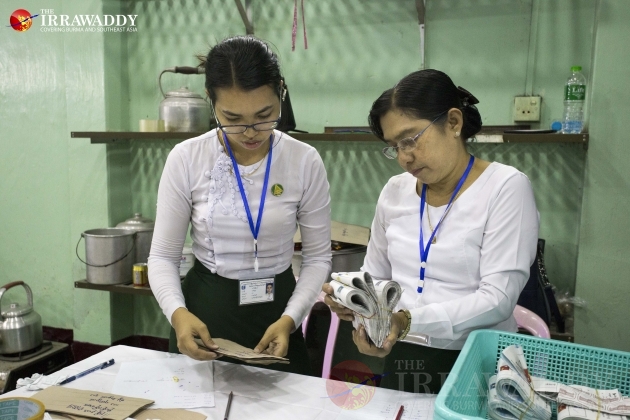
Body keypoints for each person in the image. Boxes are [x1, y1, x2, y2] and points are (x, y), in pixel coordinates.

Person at [323, 69, 539, 393]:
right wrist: (359, 312)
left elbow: (497, 299)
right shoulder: (395, 191)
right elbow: (375, 276)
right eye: (394, 147)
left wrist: (405, 320)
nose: (404, 157)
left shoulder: (505, 187)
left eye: (411, 139)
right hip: (404, 355)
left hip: (477, 362)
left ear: (453, 122)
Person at [148, 35, 332, 376]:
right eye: (232, 118)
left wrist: (291, 319)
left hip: (279, 315)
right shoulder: (187, 159)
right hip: (204, 315)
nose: (250, 132)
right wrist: (177, 314)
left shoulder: (304, 161)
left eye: (265, 115)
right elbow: (162, 257)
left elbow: (318, 257)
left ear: (280, 92)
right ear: (211, 101)